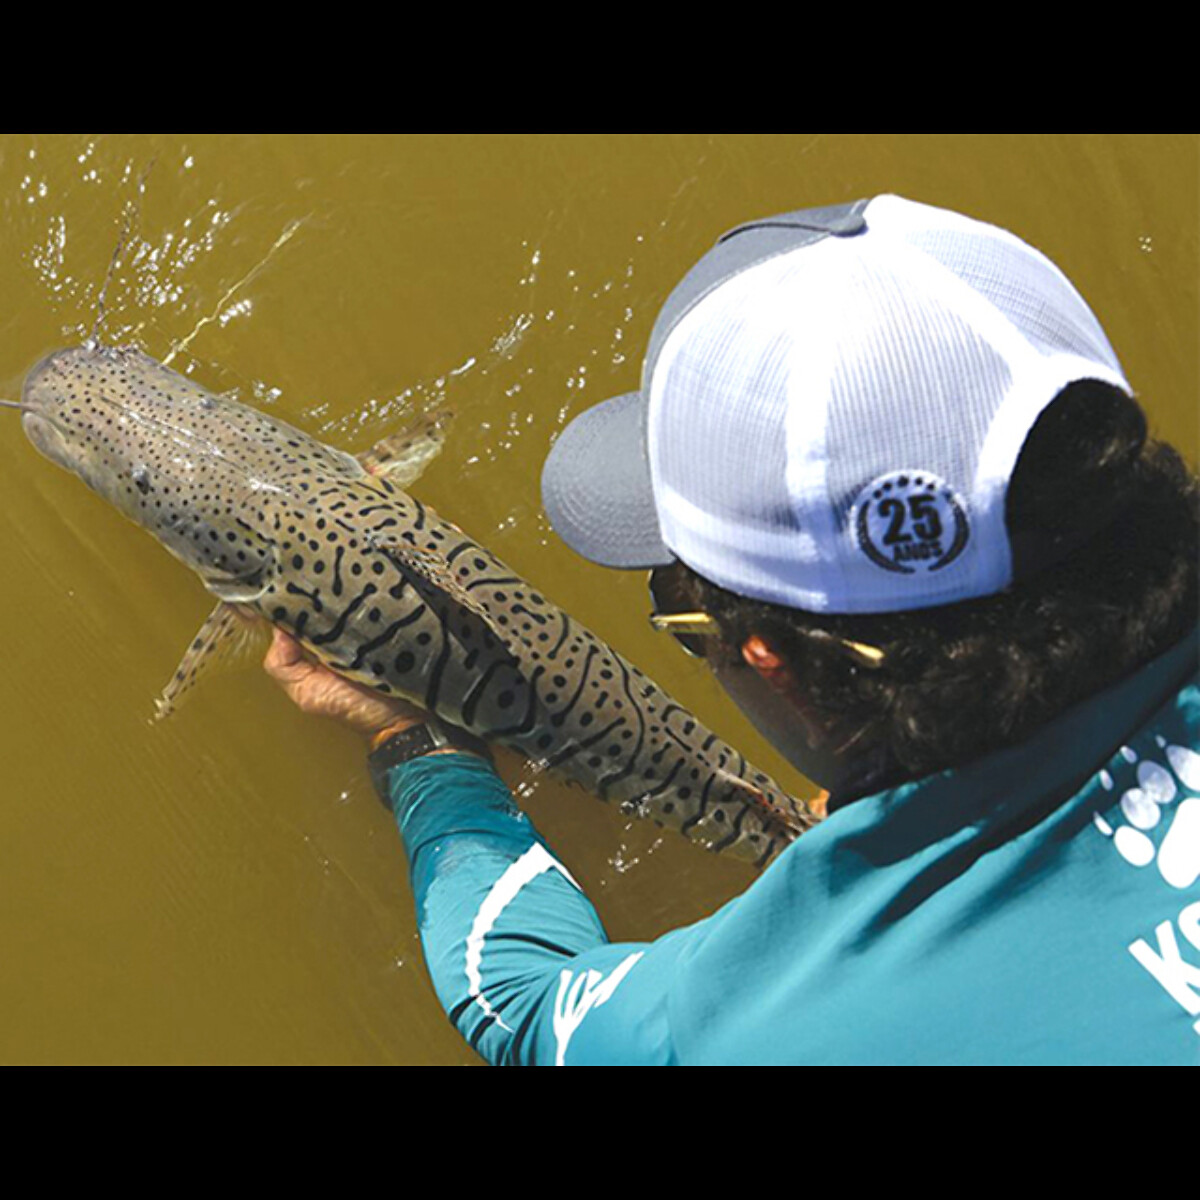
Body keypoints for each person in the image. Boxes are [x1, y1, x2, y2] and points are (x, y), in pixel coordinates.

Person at [266, 196, 1200, 1066]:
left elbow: (518, 1002)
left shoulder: (777, 1020)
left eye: (685, 620)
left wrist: (418, 741)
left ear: (775, 664)